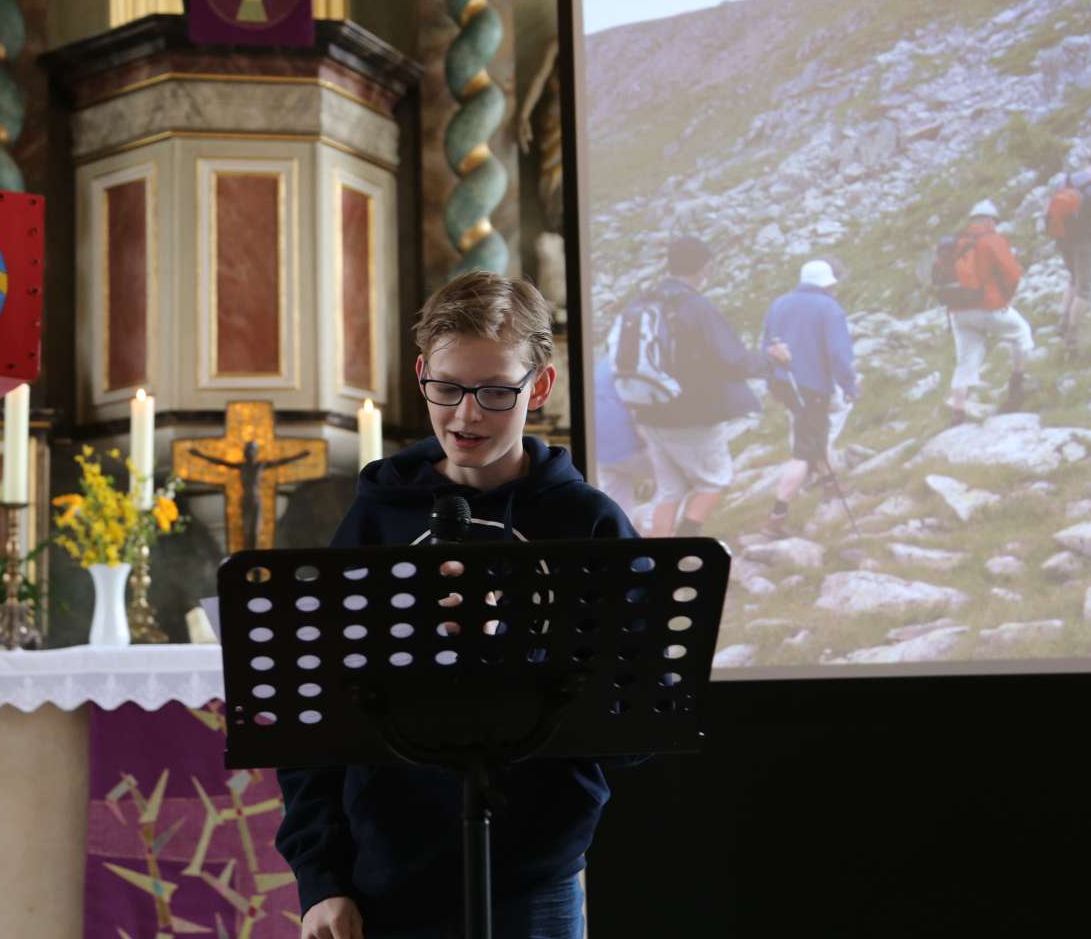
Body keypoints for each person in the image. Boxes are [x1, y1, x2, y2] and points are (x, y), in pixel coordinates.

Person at [277, 271, 638, 939]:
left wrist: (521, 639)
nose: (467, 415)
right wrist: (321, 880)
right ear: (422, 373)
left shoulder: (586, 522)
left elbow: (632, 731)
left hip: (532, 880)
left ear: (541, 386)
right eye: (447, 388)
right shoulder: (374, 518)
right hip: (384, 876)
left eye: (497, 391)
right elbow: (312, 726)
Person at [619, 234, 786, 538]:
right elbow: (734, 360)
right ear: (705, 267)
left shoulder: (645, 301)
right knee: (715, 481)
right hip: (691, 413)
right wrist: (773, 360)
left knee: (671, 490)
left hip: (648, 409)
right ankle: (685, 544)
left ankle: (655, 561)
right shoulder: (694, 305)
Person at [759, 259, 858, 538]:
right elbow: (839, 355)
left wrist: (772, 379)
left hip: (784, 384)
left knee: (815, 431)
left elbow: (765, 345)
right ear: (827, 285)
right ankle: (776, 516)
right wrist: (849, 386)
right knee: (803, 450)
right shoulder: (829, 308)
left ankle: (829, 481)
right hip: (812, 386)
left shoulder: (778, 303)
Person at [945, 200, 1034, 423]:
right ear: (988, 220)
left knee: (965, 360)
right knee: (1022, 334)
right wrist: (1006, 298)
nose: (995, 225)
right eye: (994, 221)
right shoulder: (993, 240)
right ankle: (1017, 382)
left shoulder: (956, 243)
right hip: (991, 306)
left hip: (959, 311)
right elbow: (1012, 273)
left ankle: (958, 410)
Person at [1048, 152, 1091, 357]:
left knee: (1072, 279)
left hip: (1063, 239)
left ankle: (1063, 319)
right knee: (1084, 289)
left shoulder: (1065, 181)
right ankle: (1072, 335)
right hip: (1085, 241)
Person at [591, 355, 651, 519]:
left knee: (618, 511)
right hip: (627, 446)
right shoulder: (635, 360)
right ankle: (652, 525)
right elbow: (637, 410)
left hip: (601, 451)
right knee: (681, 477)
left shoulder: (604, 364)